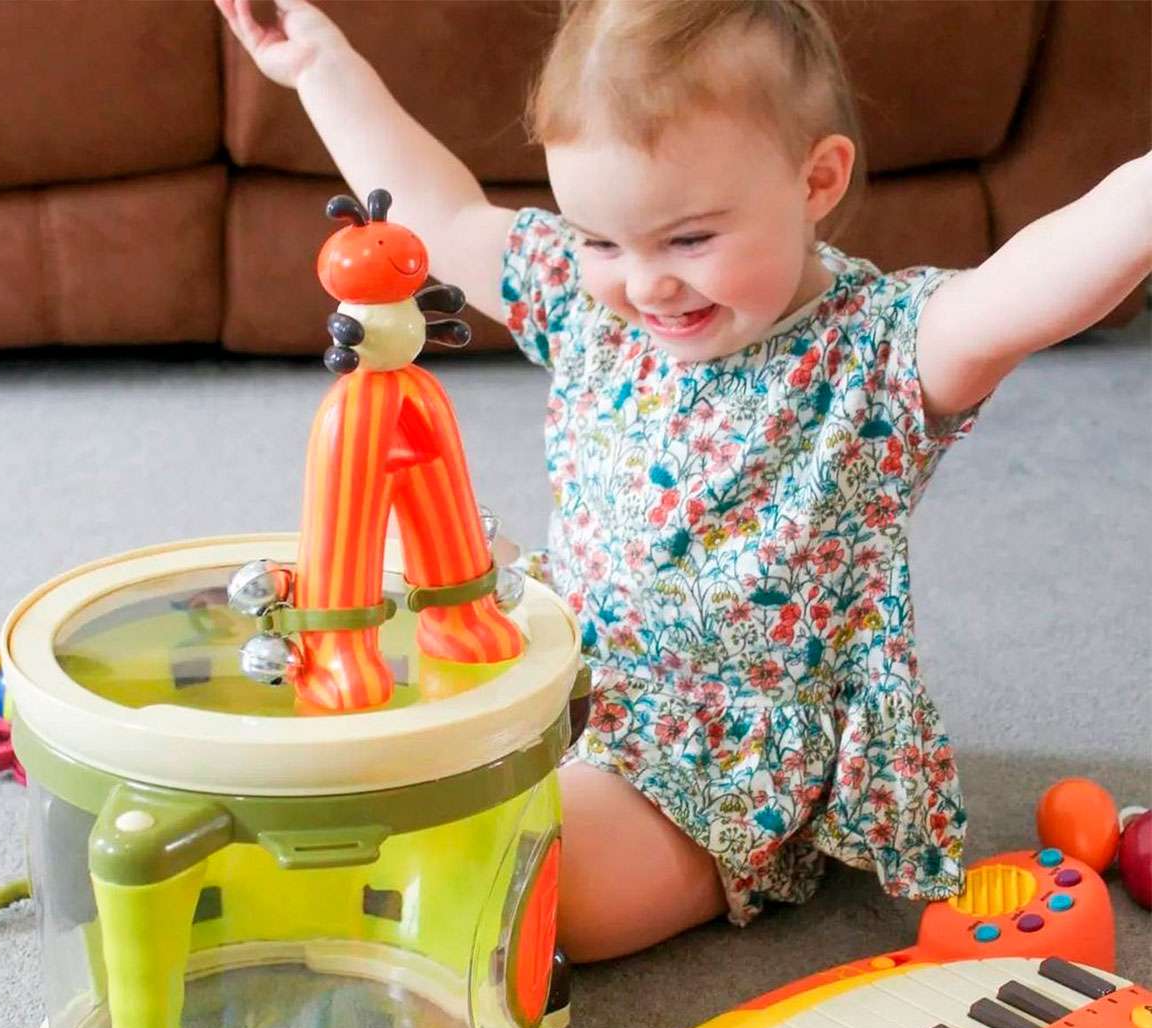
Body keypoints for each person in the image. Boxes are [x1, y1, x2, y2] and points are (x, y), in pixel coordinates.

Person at [216, 0, 1151, 962]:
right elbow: (443, 215)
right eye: (601, 240)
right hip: (558, 664)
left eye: (690, 240)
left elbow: (1028, 288)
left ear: (816, 180)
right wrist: (321, 65)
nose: (644, 285)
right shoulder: (589, 301)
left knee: (538, 885)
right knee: (344, 707)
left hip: (716, 752)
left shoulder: (881, 350)